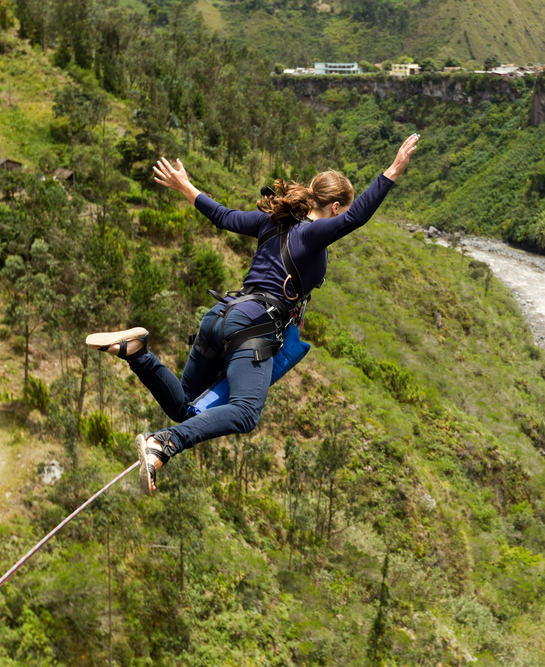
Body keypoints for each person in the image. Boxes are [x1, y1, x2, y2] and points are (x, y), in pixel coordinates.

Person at [86, 134, 419, 494]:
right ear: (334, 207)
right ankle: (163, 444)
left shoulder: (271, 222)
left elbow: (223, 217)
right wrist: (393, 171)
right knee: (245, 413)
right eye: (340, 210)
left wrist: (186, 186)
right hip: (252, 327)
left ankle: (138, 353)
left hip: (220, 316)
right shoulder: (315, 233)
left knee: (186, 409)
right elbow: (357, 218)